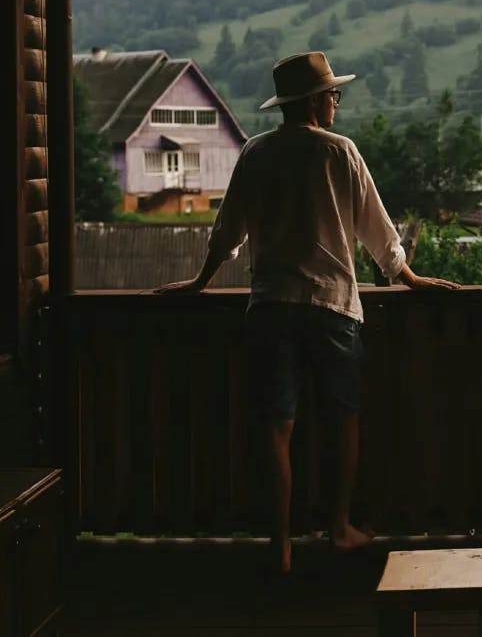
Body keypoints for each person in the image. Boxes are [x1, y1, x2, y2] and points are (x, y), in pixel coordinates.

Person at [157, 51, 458, 574]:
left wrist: (201, 283)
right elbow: (377, 229)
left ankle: (281, 546)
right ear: (318, 101)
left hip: (271, 307)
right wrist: (406, 277)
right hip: (333, 308)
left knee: (276, 428)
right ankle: (338, 527)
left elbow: (228, 230)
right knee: (343, 419)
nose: (336, 101)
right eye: (333, 94)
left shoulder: (256, 153)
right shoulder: (341, 153)